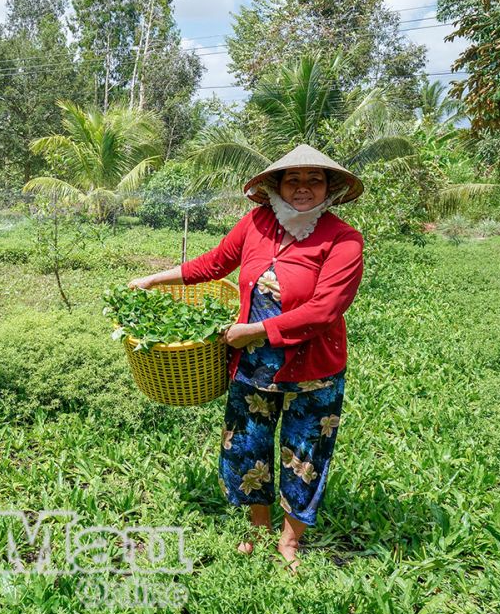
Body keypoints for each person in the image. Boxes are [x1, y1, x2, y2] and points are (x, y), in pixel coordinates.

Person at [127, 144, 365, 574]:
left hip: (313, 371)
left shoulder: (343, 239)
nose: (303, 188)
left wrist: (252, 331)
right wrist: (152, 279)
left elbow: (325, 310)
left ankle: (290, 542)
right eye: (294, 179)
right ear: (277, 184)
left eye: (315, 179)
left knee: (304, 455)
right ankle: (257, 531)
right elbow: (215, 263)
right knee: (248, 447)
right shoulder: (257, 222)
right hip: (252, 366)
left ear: (330, 188)